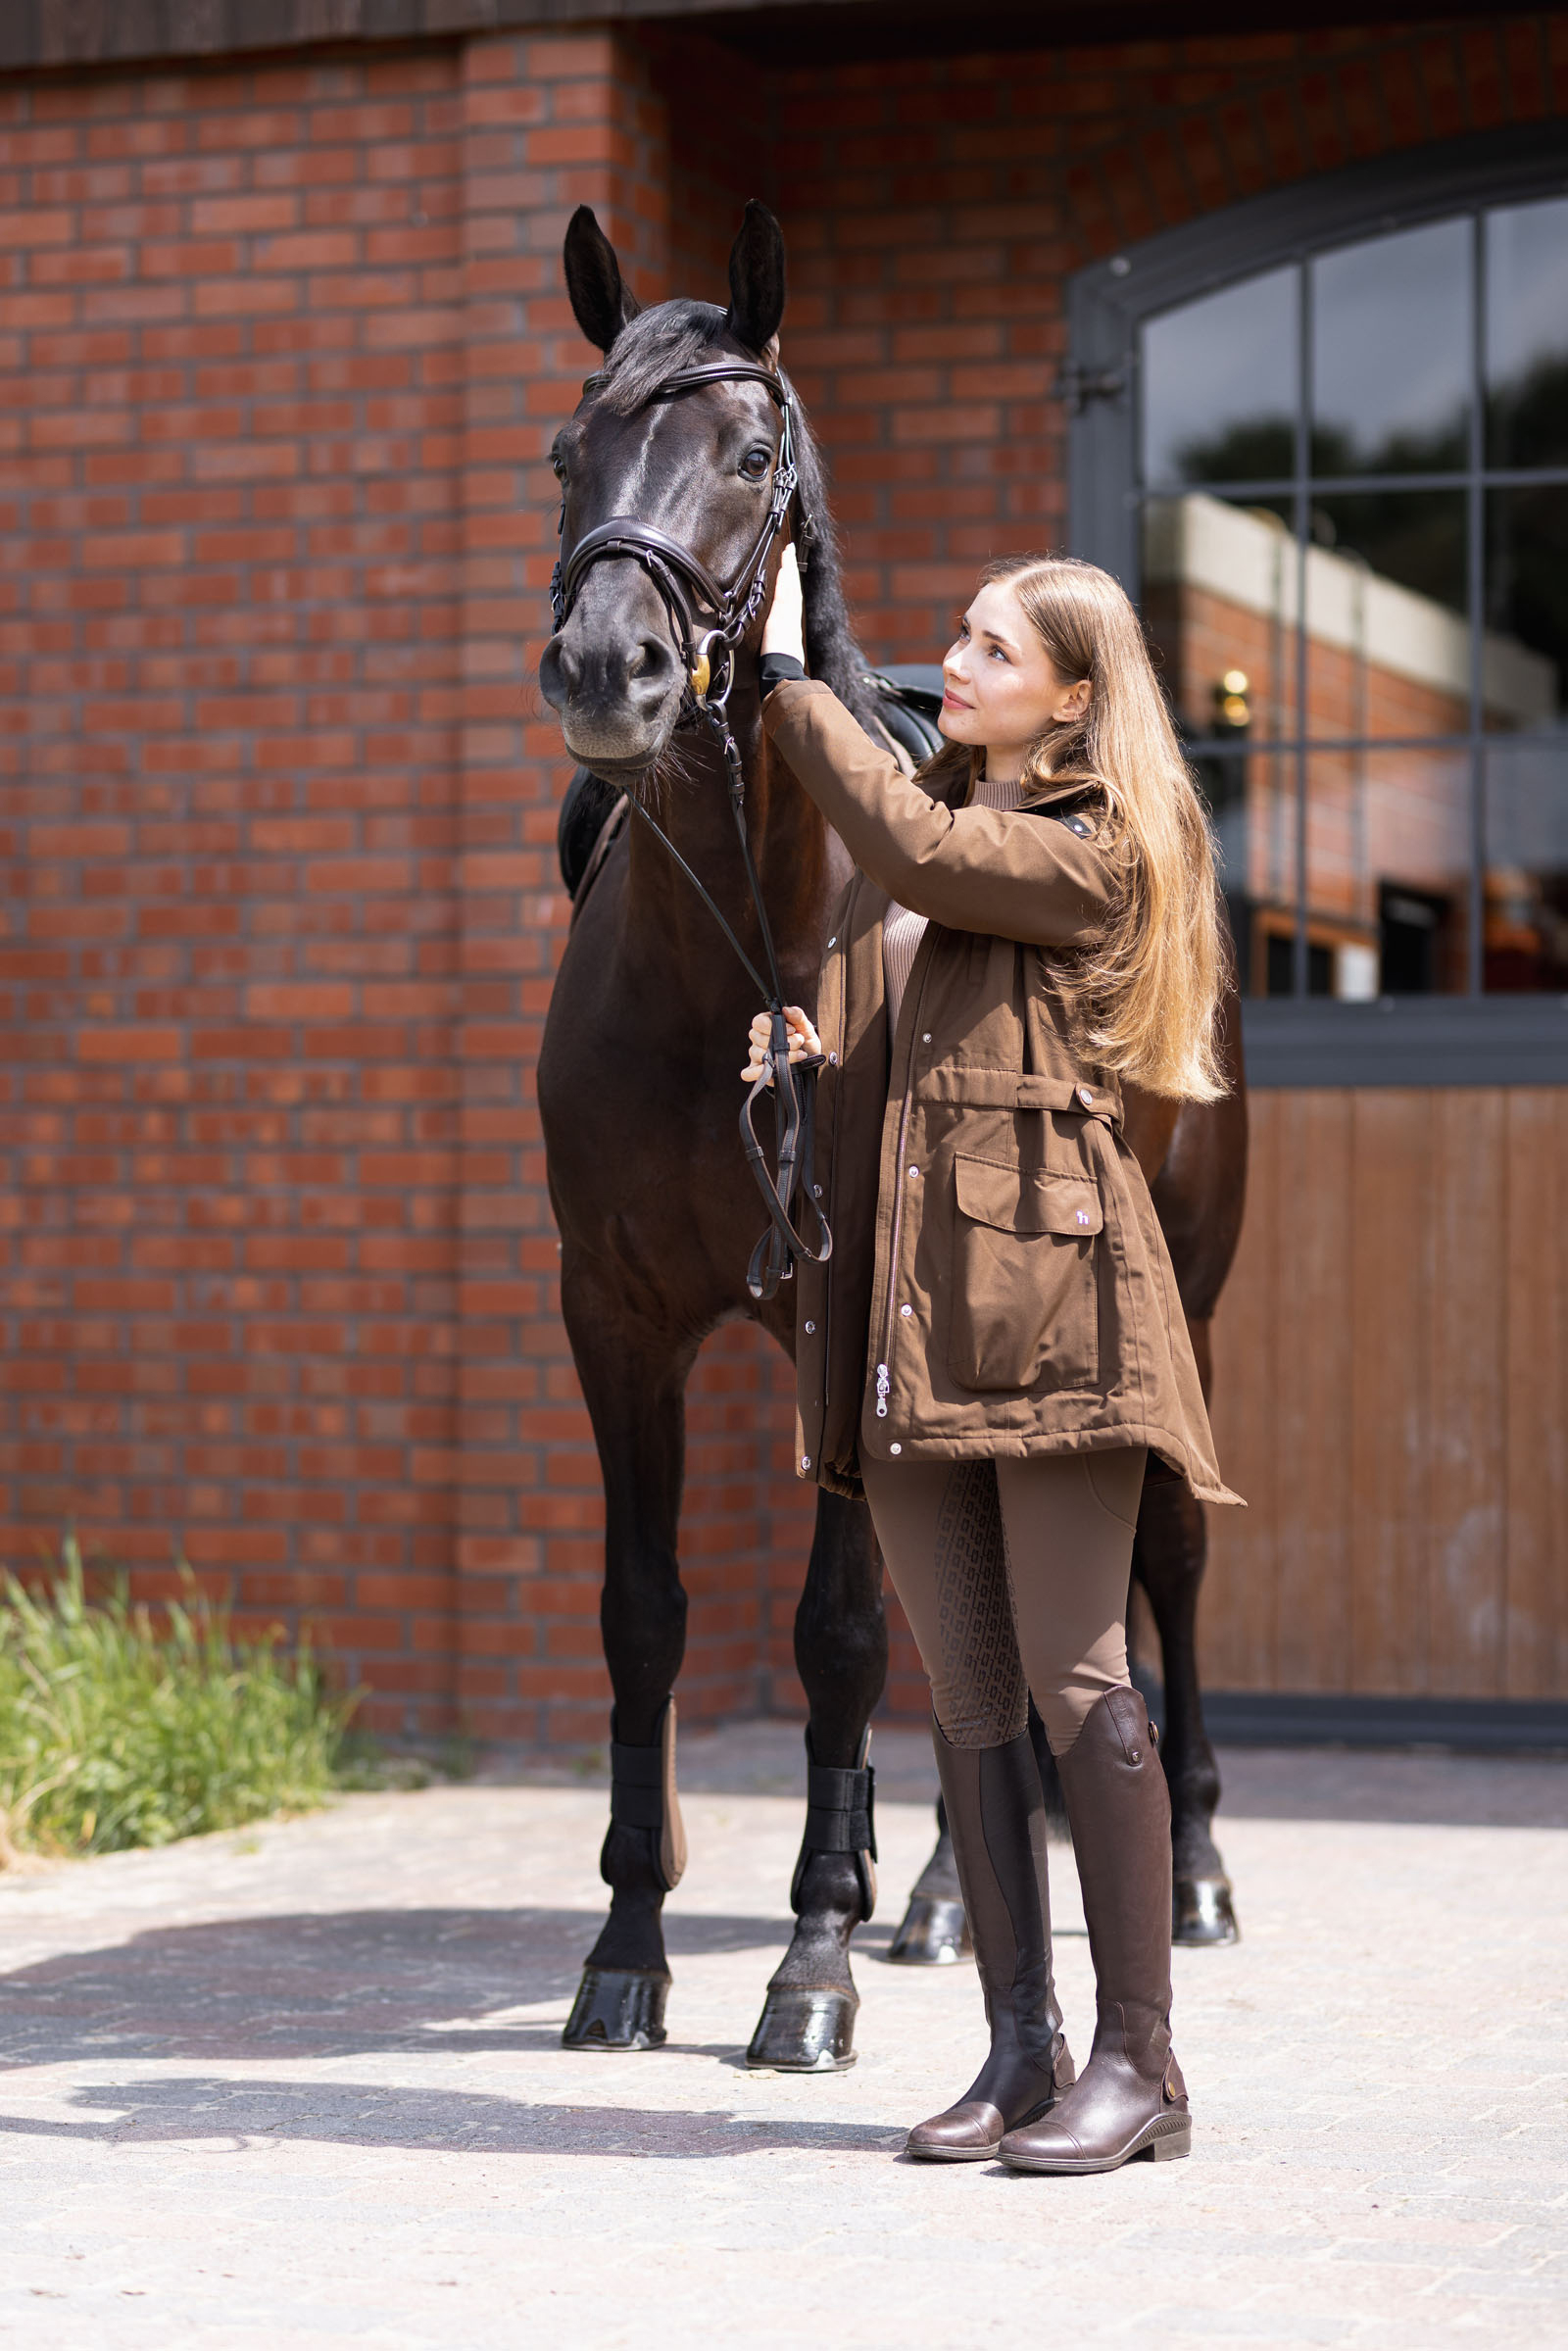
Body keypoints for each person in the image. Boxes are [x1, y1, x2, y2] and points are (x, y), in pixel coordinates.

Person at [742, 544, 1240, 2175]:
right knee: (965, 1688)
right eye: (954, 636)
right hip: (907, 1318)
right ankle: (1021, 2048)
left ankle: (1143, 2063)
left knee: (1080, 1678)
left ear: (1075, 698)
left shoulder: (1091, 846)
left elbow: (924, 842)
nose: (949, 660)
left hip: (1052, 1319)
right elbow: (897, 957)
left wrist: (787, 686)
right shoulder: (922, 859)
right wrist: (813, 1042)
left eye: (988, 646)